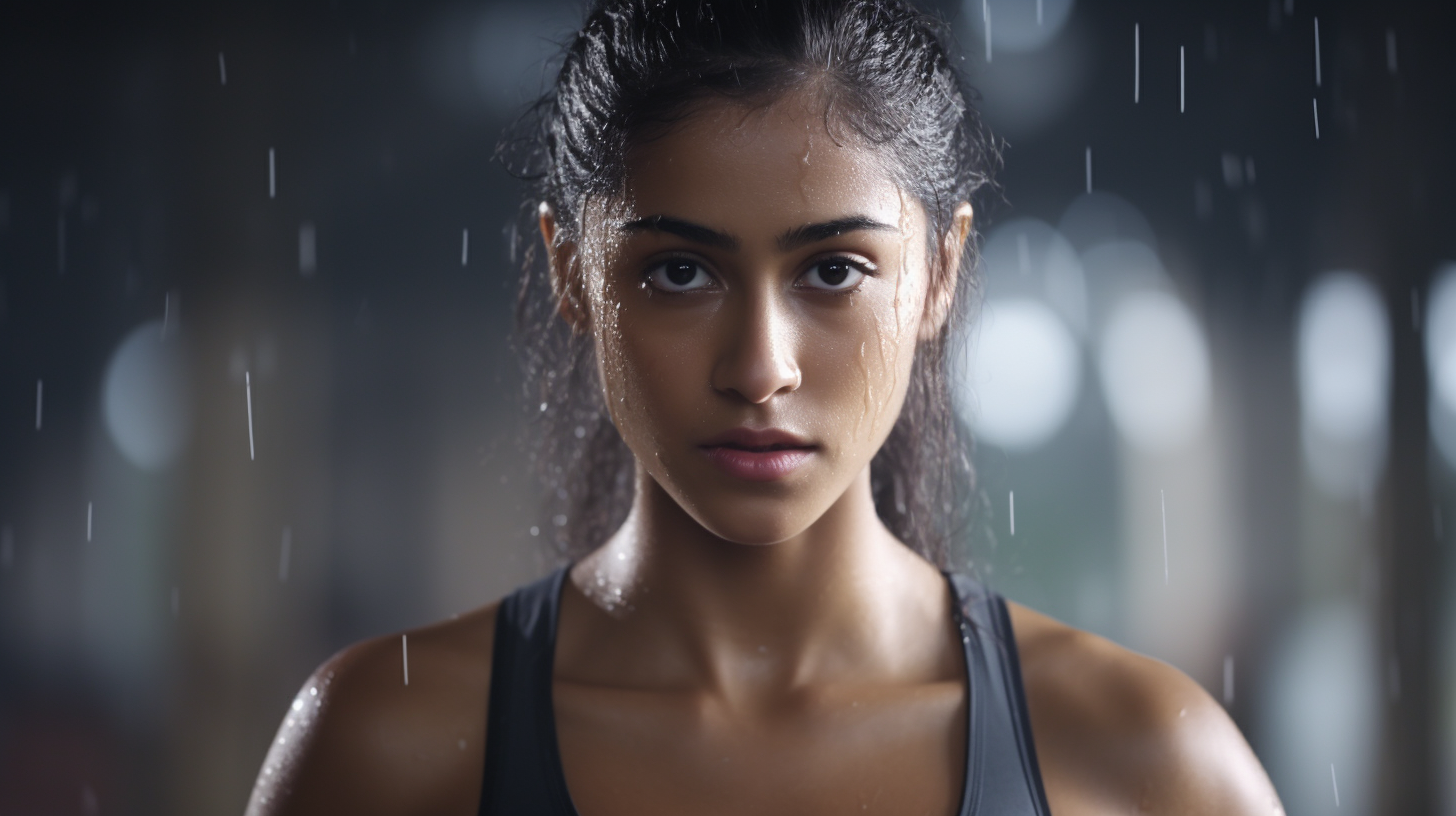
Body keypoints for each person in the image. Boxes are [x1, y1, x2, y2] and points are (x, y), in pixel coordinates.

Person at [247, 1, 1284, 814]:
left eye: (832, 271)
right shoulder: (390, 744)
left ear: (940, 275)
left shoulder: (1141, 757)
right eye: (679, 274)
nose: (758, 368)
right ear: (572, 273)